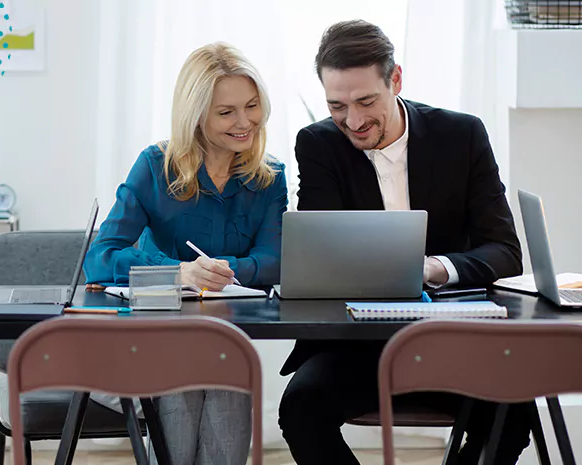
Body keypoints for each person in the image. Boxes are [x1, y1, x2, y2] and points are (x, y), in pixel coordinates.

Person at [277, 20, 532, 465]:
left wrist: (436, 267)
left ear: (395, 80)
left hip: (453, 339)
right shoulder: (318, 145)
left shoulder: (462, 135)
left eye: (366, 101)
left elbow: (505, 251)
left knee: (513, 412)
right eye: (337, 105)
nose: (352, 121)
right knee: (301, 409)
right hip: (357, 346)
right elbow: (323, 255)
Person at [83, 42, 288, 465]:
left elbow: (276, 261)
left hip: (229, 336)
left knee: (223, 376)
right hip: (160, 335)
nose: (244, 121)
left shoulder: (270, 177)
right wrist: (180, 272)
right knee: (186, 382)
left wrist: (229, 270)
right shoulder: (155, 166)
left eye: (251, 106)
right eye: (226, 112)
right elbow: (100, 257)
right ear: (195, 115)